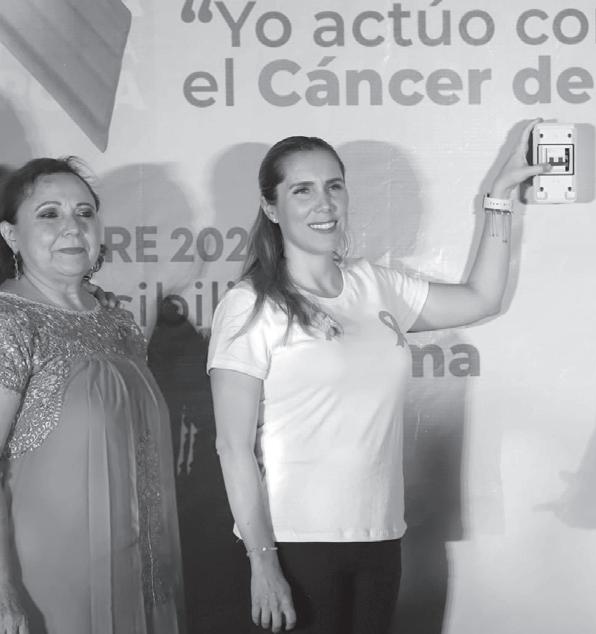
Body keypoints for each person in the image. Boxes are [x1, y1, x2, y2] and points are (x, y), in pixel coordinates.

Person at [207, 121, 548, 633]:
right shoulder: (251, 305)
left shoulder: (374, 286)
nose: (324, 203)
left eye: (334, 186)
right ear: (271, 207)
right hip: (295, 542)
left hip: (380, 537)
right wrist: (263, 562)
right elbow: (232, 448)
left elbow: (481, 298)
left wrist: (500, 197)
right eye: (302, 190)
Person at [0, 158, 185, 633]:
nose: (72, 227)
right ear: (11, 235)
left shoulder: (118, 322)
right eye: (49, 214)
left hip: (144, 574)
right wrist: (2, 591)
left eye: (84, 213)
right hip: (51, 585)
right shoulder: (9, 323)